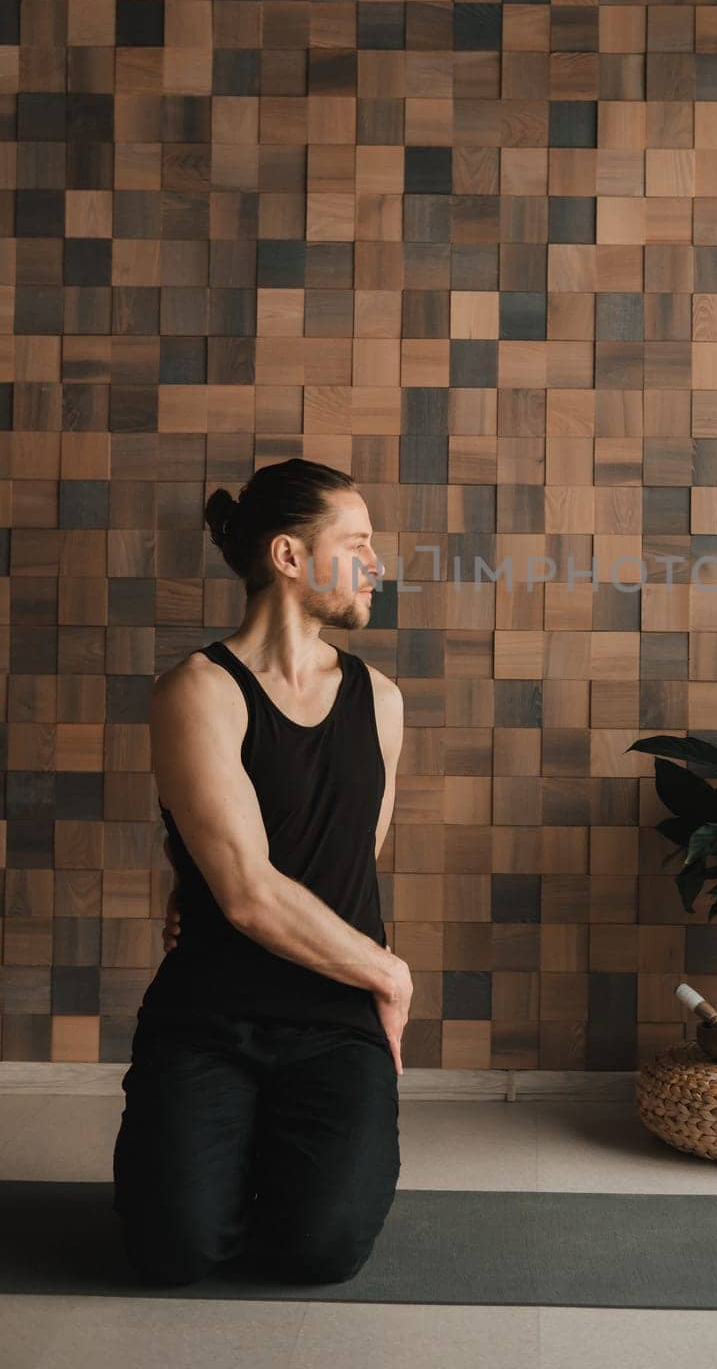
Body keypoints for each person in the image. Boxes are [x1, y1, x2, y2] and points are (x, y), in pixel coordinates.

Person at [111, 458, 413, 1287]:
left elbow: (344, 860)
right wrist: (386, 971)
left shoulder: (379, 701)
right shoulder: (198, 692)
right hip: (209, 1018)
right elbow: (247, 892)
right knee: (172, 1253)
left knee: (321, 1251)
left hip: (334, 1026)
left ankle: (273, 1157)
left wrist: (357, 983)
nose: (375, 565)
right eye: (355, 544)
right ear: (288, 557)